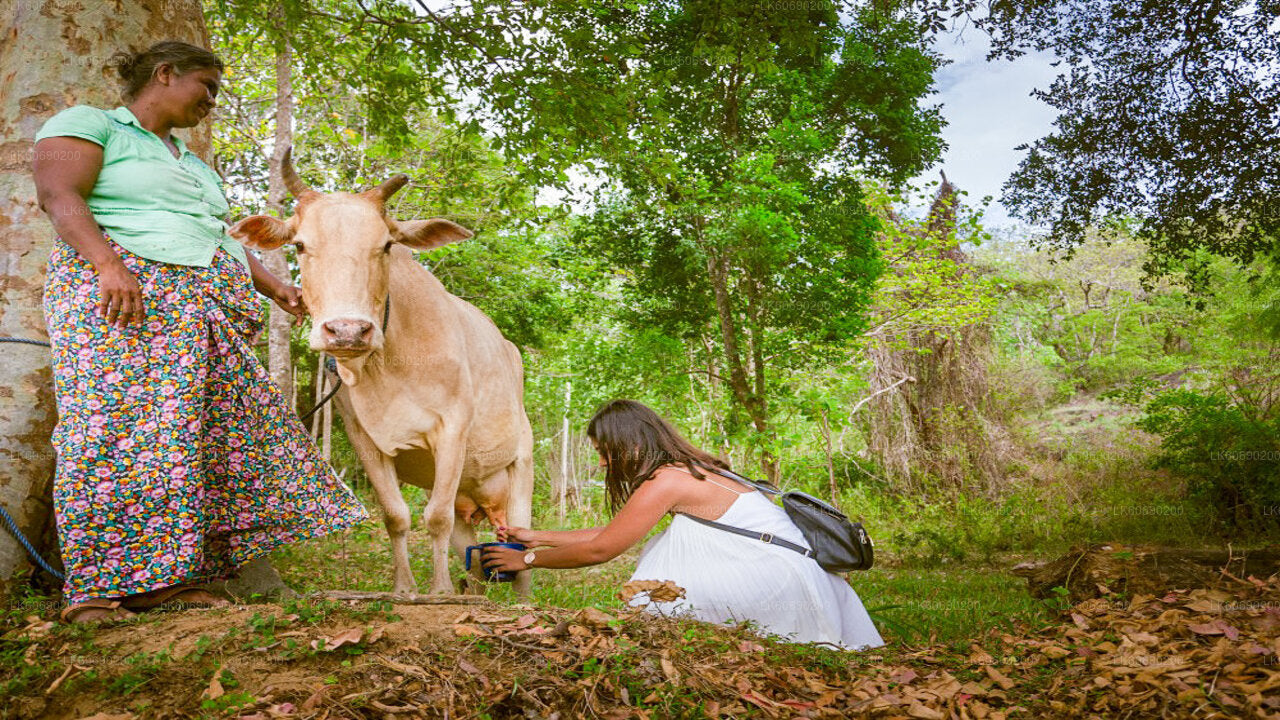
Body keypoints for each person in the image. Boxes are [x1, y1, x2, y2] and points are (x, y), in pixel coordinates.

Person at [32, 41, 369, 624]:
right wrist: (108, 265)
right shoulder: (89, 125)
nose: (212, 101)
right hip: (125, 301)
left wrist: (275, 287)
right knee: (112, 433)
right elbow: (58, 196)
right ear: (165, 74)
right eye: (206, 87)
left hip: (200, 312)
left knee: (189, 441)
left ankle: (168, 580)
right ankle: (94, 589)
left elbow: (216, 236)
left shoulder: (191, 163)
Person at [484, 399, 885, 650]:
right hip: (801, 578)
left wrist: (528, 560)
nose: (604, 464)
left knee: (657, 590)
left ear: (632, 444)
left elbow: (602, 549)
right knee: (664, 555)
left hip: (779, 583)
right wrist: (536, 535)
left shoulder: (669, 480)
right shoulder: (692, 470)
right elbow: (619, 529)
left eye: (606, 453)